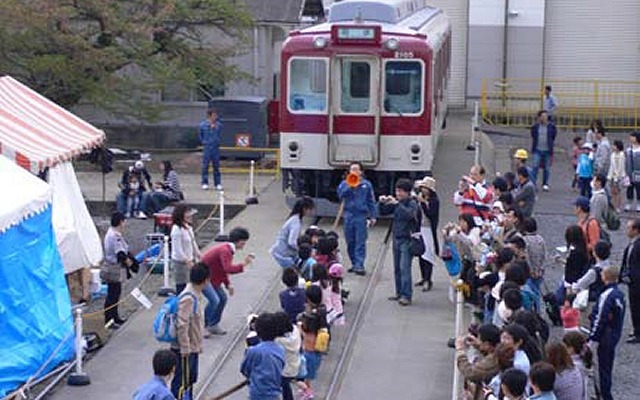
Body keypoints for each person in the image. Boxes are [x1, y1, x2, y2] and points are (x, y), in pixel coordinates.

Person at [200, 227, 253, 336]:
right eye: (243, 242)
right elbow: (227, 268)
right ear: (238, 241)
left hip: (212, 278)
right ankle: (206, 325)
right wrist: (243, 265)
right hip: (203, 277)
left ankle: (213, 324)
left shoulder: (227, 249)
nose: (244, 245)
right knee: (214, 300)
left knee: (222, 299)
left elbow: (221, 269)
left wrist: (227, 284)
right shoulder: (226, 251)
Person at [379, 179, 420, 306]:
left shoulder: (412, 203)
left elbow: (409, 215)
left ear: (407, 193)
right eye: (397, 190)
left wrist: (397, 204)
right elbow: (383, 212)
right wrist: (382, 203)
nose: (398, 193)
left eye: (400, 191)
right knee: (397, 268)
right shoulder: (398, 203)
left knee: (404, 268)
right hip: (396, 238)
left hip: (407, 240)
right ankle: (399, 292)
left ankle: (406, 295)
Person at [170, 263, 209, 399]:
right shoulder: (188, 298)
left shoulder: (194, 294)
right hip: (185, 350)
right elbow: (182, 324)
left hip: (192, 348)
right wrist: (185, 348)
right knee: (182, 382)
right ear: (205, 280)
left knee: (190, 379)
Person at [588, 266, 626, 400]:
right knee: (607, 366)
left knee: (600, 369)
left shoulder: (606, 295)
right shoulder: (620, 295)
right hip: (614, 335)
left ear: (605, 277)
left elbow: (600, 318)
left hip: (603, 336)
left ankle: (604, 396)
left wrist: (593, 338)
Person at [336, 161, 377, 276]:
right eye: (352, 169)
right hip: (349, 215)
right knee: (350, 241)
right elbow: (340, 195)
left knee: (360, 241)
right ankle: (354, 263)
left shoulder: (366, 185)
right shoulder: (344, 183)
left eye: (356, 169)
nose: (354, 172)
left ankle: (359, 265)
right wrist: (350, 185)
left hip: (361, 215)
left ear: (361, 172)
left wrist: (373, 215)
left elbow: (371, 201)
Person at [101, 212, 136, 329]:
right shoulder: (115, 235)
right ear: (121, 222)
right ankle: (109, 319)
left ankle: (115, 317)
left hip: (112, 266)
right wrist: (129, 263)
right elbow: (120, 253)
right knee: (113, 294)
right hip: (113, 267)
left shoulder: (111, 233)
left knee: (115, 293)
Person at [241, 312, 286, 400]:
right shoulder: (280, 349)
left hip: (258, 393)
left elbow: (245, 369)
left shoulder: (253, 351)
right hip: (274, 392)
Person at [299, 285, 328, 400]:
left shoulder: (311, 317)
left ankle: (307, 392)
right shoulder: (322, 310)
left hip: (310, 348)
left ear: (309, 299)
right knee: (309, 373)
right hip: (318, 348)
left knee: (306, 373)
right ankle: (305, 390)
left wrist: (300, 325)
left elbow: (305, 330)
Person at [270, 197, 315, 268]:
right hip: (284, 254)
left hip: (283, 252)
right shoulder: (295, 222)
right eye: (309, 209)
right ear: (304, 209)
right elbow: (291, 242)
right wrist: (302, 250)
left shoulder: (294, 219)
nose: (310, 212)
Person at [414, 176, 440, 291]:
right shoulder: (421, 198)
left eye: (425, 188)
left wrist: (424, 203)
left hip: (429, 229)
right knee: (421, 254)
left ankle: (428, 279)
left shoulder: (434, 201)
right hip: (420, 228)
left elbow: (430, 214)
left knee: (428, 255)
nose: (423, 190)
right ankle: (423, 277)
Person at [273, 311, 305, 400]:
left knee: (284, 387)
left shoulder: (279, 340)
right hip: (295, 364)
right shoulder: (295, 330)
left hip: (285, 369)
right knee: (286, 386)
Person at [171, 204, 200, 295]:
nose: (190, 215)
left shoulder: (188, 227)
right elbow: (177, 249)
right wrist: (187, 261)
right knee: (182, 287)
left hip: (190, 260)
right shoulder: (176, 229)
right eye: (187, 213)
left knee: (191, 286)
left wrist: (198, 253)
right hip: (180, 263)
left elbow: (193, 241)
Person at [621, 218, 640, 343]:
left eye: (629, 228)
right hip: (632, 280)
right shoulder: (632, 243)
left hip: (637, 281)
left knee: (636, 306)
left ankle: (638, 332)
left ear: (636, 230)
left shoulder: (637, 245)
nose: (626, 230)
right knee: (634, 306)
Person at [530, 110, 557, 192]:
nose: (544, 118)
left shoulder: (551, 126)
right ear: (539, 117)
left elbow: (553, 136)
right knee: (535, 167)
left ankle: (545, 184)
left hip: (547, 150)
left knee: (547, 168)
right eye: (542, 116)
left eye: (545, 116)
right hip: (537, 149)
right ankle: (533, 184)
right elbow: (533, 135)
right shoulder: (535, 127)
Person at [199, 108, 223, 191]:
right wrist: (204, 142)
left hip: (215, 147)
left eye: (216, 115)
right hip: (207, 147)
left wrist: (214, 127)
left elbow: (219, 134)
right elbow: (200, 135)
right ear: (209, 116)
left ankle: (218, 183)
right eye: (214, 115)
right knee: (205, 166)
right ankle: (205, 183)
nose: (215, 117)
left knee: (216, 166)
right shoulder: (203, 125)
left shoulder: (219, 125)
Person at [608, 140, 626, 212]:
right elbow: (611, 166)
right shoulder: (612, 154)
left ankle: (618, 207)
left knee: (618, 192)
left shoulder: (622, 154)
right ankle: (614, 205)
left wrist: (617, 176)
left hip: (619, 176)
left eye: (614, 145)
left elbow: (621, 167)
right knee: (613, 192)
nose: (613, 147)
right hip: (612, 176)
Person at [625, 131, 640, 211]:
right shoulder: (628, 149)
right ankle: (628, 203)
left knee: (639, 189)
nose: (631, 138)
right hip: (630, 172)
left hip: (638, 173)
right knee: (629, 188)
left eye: (633, 137)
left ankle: (638, 204)